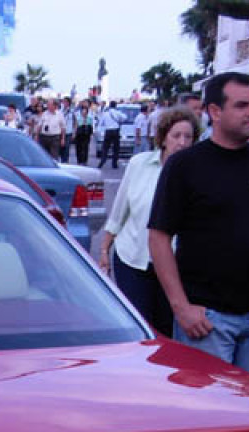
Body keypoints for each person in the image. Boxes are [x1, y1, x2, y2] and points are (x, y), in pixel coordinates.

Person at [148, 71, 249, 384]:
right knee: (207, 416)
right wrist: (181, 307)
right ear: (214, 112)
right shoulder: (185, 166)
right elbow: (159, 237)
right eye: (242, 105)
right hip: (206, 320)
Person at [98, 106, 198, 337]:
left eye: (188, 137)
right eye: (176, 136)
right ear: (163, 138)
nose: (182, 142)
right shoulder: (139, 164)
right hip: (132, 259)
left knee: (165, 329)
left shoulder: (196, 173)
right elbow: (120, 208)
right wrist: (104, 248)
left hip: (172, 267)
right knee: (137, 328)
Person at [95, 100, 121, 168]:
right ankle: (114, 164)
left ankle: (102, 161)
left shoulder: (105, 113)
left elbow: (100, 123)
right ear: (115, 106)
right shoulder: (118, 113)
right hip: (116, 131)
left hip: (108, 131)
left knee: (105, 147)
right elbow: (124, 118)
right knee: (116, 148)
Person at [72, 100, 95, 165]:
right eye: (83, 112)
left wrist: (92, 133)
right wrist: (74, 133)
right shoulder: (77, 115)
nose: (84, 113)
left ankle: (84, 160)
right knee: (78, 147)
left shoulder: (90, 116)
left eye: (85, 112)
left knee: (85, 147)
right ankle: (79, 160)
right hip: (79, 132)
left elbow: (92, 125)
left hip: (86, 132)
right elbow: (75, 124)